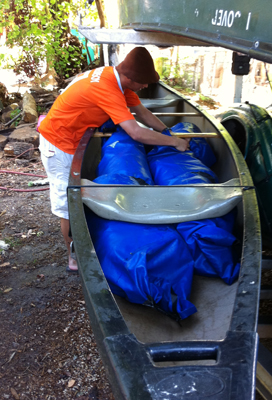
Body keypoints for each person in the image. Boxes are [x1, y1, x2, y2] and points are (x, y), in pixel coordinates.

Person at [38, 46, 190, 274]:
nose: (146, 86)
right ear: (129, 76)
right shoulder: (107, 87)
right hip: (58, 145)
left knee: (75, 196)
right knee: (67, 204)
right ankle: (73, 256)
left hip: (73, 138)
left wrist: (169, 134)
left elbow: (143, 114)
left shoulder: (118, 81)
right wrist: (175, 144)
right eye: (143, 82)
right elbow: (136, 132)